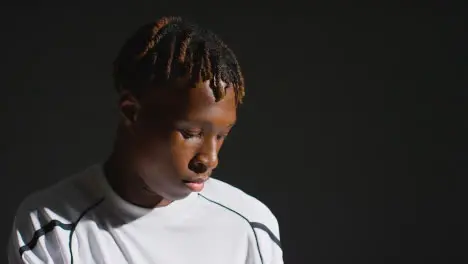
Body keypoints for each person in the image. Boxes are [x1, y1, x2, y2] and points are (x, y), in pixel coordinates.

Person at [7, 16, 283, 264]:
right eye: (191, 133)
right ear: (132, 112)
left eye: (221, 136)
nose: (210, 159)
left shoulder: (250, 225)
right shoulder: (52, 225)